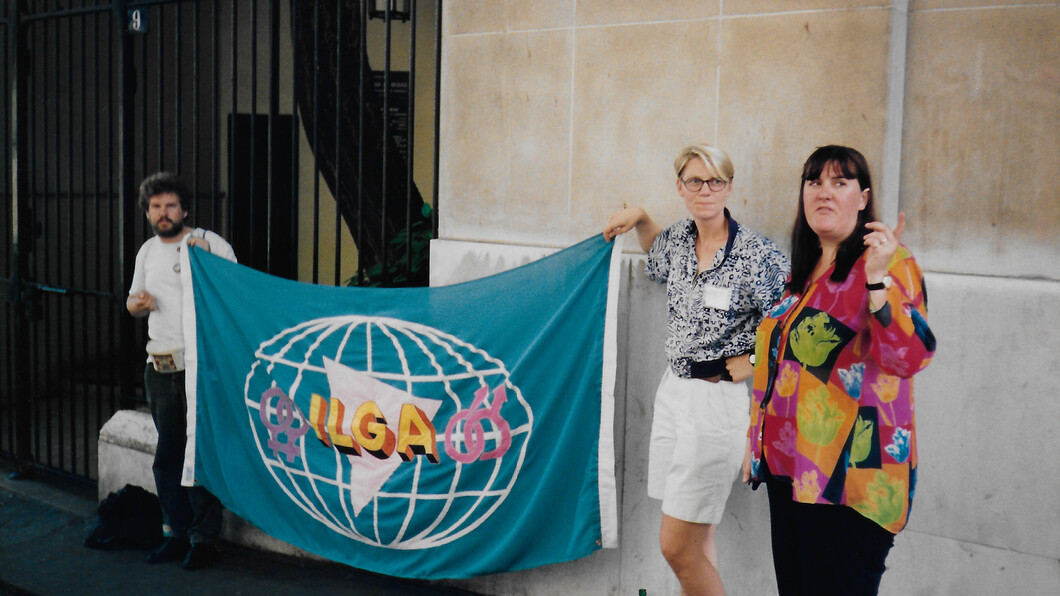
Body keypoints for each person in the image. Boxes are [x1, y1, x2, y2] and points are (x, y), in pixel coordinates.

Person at [743, 145, 936, 595]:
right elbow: (786, 360)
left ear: (864, 198)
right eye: (814, 182)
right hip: (792, 472)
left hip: (851, 484)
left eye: (840, 182)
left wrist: (875, 281)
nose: (824, 192)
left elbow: (908, 357)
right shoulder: (803, 274)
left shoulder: (888, 266)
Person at [603, 145, 789, 596]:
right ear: (680, 188)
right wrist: (643, 218)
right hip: (675, 393)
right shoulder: (680, 240)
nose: (705, 190)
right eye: (694, 181)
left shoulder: (758, 255)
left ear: (729, 186)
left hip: (716, 404)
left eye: (715, 181)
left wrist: (738, 370)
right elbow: (657, 254)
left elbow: (788, 330)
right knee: (698, 536)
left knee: (676, 548)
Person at [126, 172, 236, 570]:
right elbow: (131, 303)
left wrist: (205, 259)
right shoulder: (146, 252)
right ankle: (176, 531)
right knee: (168, 456)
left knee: (200, 454)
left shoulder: (209, 242)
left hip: (200, 368)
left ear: (184, 209)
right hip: (161, 368)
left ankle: (205, 540)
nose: (163, 213)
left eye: (170, 205)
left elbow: (235, 293)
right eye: (156, 206)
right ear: (148, 212)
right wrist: (139, 305)